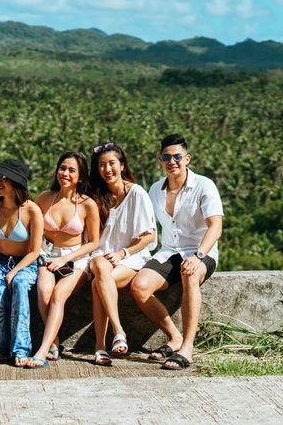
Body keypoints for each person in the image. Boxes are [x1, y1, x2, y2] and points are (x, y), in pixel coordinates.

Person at [131, 134, 223, 371]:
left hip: (201, 251)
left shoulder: (204, 185)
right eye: (167, 157)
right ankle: (175, 337)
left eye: (177, 157)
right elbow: (145, 227)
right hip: (169, 251)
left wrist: (198, 256)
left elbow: (216, 227)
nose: (172, 161)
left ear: (187, 159)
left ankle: (187, 348)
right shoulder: (155, 190)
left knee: (189, 274)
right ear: (160, 160)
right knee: (139, 286)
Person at [25, 151, 100, 368]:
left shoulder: (87, 204)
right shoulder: (44, 198)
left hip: (76, 258)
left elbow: (93, 242)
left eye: (71, 170)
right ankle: (54, 342)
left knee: (58, 295)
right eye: (62, 168)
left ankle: (42, 350)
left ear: (80, 176)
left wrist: (66, 258)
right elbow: (31, 229)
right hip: (48, 254)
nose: (65, 173)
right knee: (44, 292)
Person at [87, 141, 157, 366]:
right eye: (102, 165)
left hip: (131, 257)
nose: (107, 169)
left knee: (98, 284)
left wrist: (123, 253)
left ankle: (100, 346)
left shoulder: (136, 193)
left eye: (112, 163)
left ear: (122, 165)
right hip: (101, 255)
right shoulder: (96, 196)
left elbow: (149, 236)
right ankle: (118, 331)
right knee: (100, 267)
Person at [0, 159, 43, 367]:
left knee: (19, 285)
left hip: (25, 262)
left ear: (17, 182)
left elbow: (35, 251)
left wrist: (14, 271)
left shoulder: (32, 210)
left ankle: (21, 349)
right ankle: (4, 347)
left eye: (4, 178)